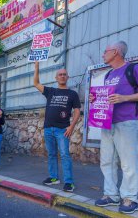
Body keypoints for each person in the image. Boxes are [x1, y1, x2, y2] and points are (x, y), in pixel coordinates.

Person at [90, 41, 138, 214]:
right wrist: (95, 99)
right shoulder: (109, 74)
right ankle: (111, 194)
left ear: (116, 52)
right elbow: (108, 98)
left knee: (129, 162)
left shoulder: (133, 69)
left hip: (127, 121)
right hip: (108, 122)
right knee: (107, 160)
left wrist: (124, 98)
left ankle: (130, 198)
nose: (103, 54)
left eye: (105, 51)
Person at [34, 61, 80, 192]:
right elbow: (36, 83)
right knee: (52, 154)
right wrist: (37, 67)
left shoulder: (72, 94)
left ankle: (69, 182)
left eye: (64, 74)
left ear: (68, 77)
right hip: (48, 128)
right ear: (56, 78)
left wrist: (71, 127)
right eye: (60, 74)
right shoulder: (50, 91)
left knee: (65, 154)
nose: (62, 76)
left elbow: (77, 111)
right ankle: (54, 177)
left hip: (62, 130)